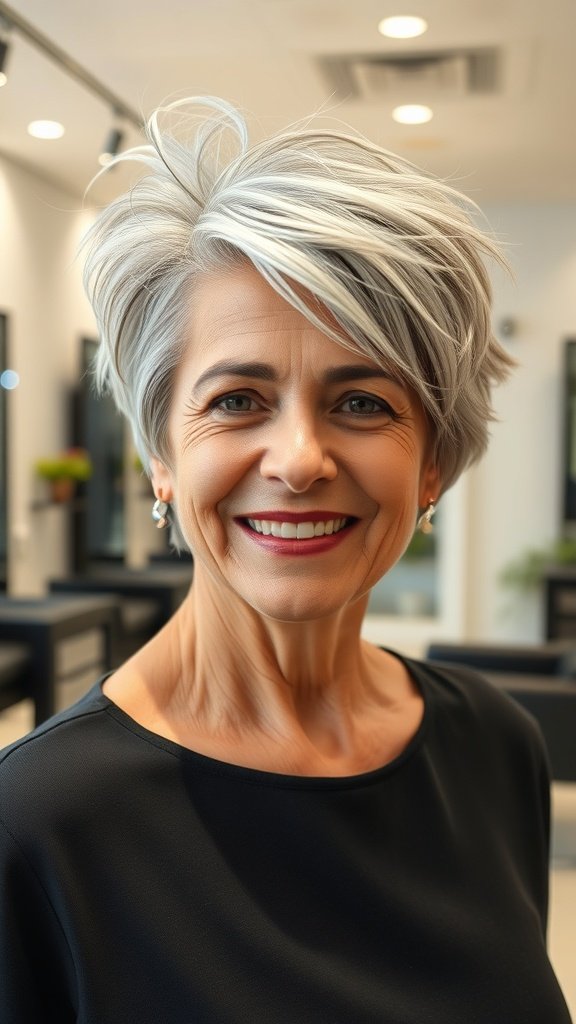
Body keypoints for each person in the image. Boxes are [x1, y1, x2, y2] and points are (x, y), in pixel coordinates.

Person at [0, 96, 571, 1023]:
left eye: (361, 403)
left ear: (432, 462)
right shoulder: (37, 825)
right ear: (162, 457)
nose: (300, 459)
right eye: (236, 401)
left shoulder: (494, 750)